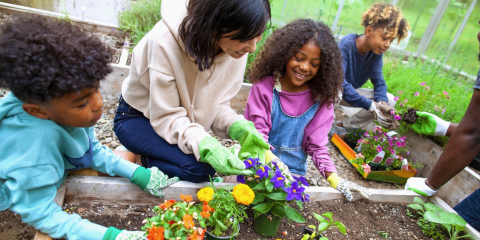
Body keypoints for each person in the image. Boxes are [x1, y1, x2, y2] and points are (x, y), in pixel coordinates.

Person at [0, 15, 179, 240]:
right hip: (23, 191)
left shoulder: (64, 107)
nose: (98, 103)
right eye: (83, 102)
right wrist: (112, 236)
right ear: (38, 111)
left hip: (59, 164)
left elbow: (90, 148)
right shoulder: (34, 151)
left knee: (128, 156)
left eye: (96, 89)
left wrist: (138, 174)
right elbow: (43, 214)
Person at [113, 0, 271, 183]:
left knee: (202, 167)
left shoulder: (236, 49)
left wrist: (237, 127)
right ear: (214, 23)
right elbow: (167, 115)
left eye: (257, 35)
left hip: (181, 121)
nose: (252, 48)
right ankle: (137, 158)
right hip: (139, 118)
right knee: (199, 171)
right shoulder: (164, 41)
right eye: (244, 38)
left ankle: (150, 153)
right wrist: (203, 143)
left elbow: (216, 103)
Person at [244, 19, 370, 201]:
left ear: (323, 67)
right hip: (257, 165)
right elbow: (257, 138)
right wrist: (275, 165)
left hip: (293, 175)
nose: (304, 67)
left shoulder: (321, 99)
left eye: (314, 63)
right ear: (285, 54)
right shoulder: (265, 88)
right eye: (299, 58)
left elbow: (317, 146)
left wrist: (335, 180)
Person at [331, 3, 409, 135]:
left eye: (391, 40)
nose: (388, 44)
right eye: (384, 38)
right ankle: (324, 124)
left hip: (348, 94)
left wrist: (382, 103)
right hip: (332, 93)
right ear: (368, 31)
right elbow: (340, 83)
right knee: (336, 92)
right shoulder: (347, 44)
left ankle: (342, 126)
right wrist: (371, 105)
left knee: (389, 99)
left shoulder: (376, 53)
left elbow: (379, 81)